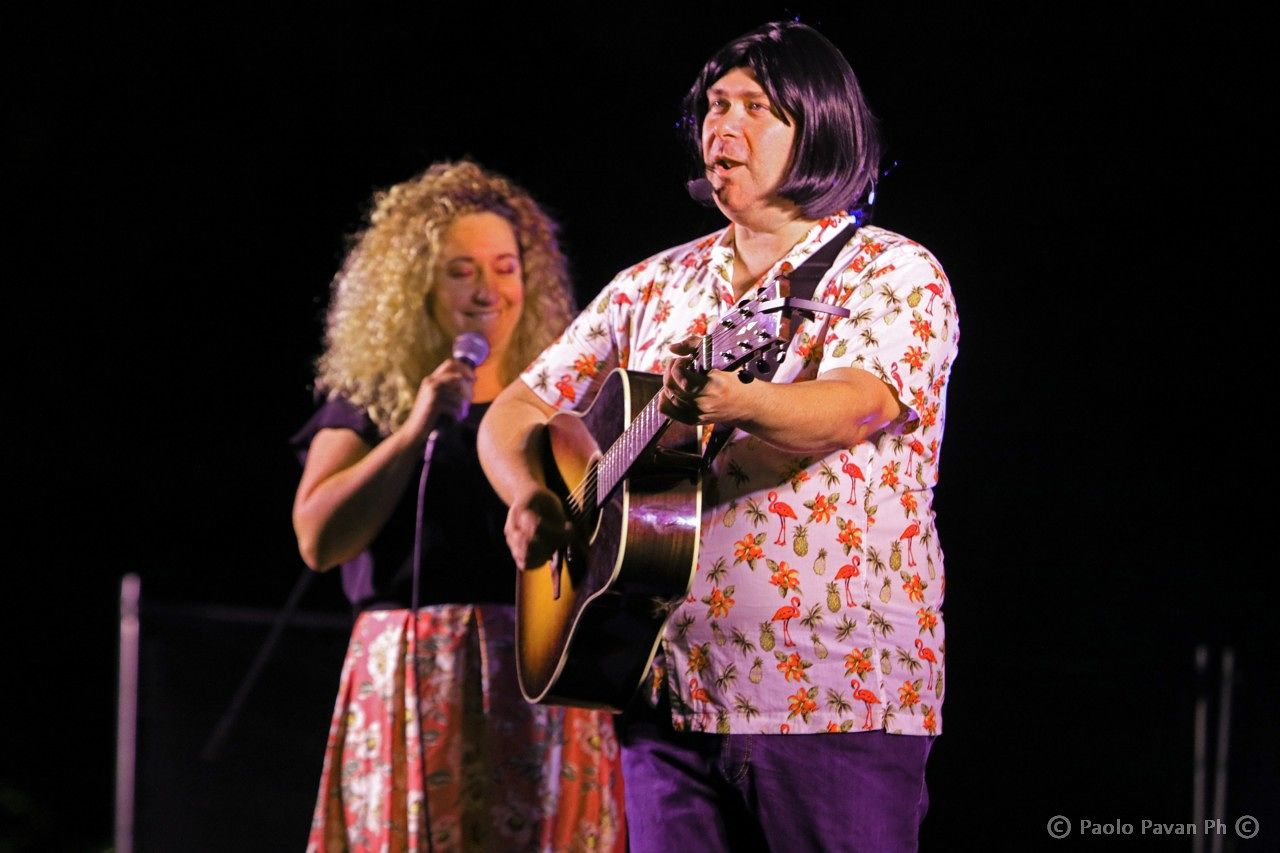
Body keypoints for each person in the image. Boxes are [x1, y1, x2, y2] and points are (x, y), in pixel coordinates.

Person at [478, 22, 957, 853]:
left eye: (756, 108)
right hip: (662, 694)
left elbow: (856, 405)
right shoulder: (652, 284)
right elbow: (514, 410)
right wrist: (531, 495)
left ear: (820, 127)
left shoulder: (893, 272)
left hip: (830, 700)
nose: (722, 126)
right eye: (715, 106)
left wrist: (741, 400)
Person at [291, 161, 626, 852]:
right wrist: (413, 430)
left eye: (505, 268)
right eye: (460, 271)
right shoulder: (371, 400)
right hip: (412, 671)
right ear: (416, 285)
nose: (486, 291)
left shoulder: (560, 404)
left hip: (537, 671)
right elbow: (318, 540)